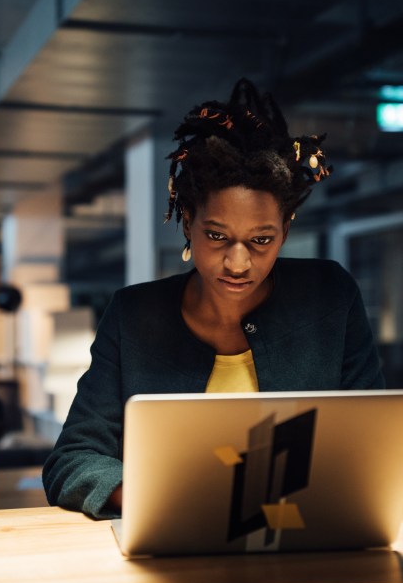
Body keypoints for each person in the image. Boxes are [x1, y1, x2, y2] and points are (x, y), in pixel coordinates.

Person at [43, 77, 384, 520]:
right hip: (171, 532)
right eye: (217, 236)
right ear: (188, 221)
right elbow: (72, 459)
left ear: (286, 229)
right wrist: (160, 499)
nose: (238, 263)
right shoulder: (134, 316)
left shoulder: (330, 296)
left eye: (261, 240)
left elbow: (373, 441)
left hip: (307, 533)